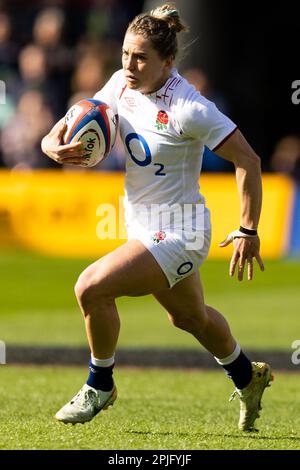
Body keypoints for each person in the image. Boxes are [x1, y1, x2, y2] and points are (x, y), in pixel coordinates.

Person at [41, 3, 273, 432]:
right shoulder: (121, 83)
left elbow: (249, 160)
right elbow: (79, 115)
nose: (129, 64)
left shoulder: (190, 107)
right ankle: (247, 375)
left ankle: (100, 383)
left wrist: (247, 228)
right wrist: (50, 144)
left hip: (182, 232)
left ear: (167, 61)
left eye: (141, 57)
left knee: (91, 287)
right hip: (143, 225)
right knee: (190, 318)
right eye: (126, 53)